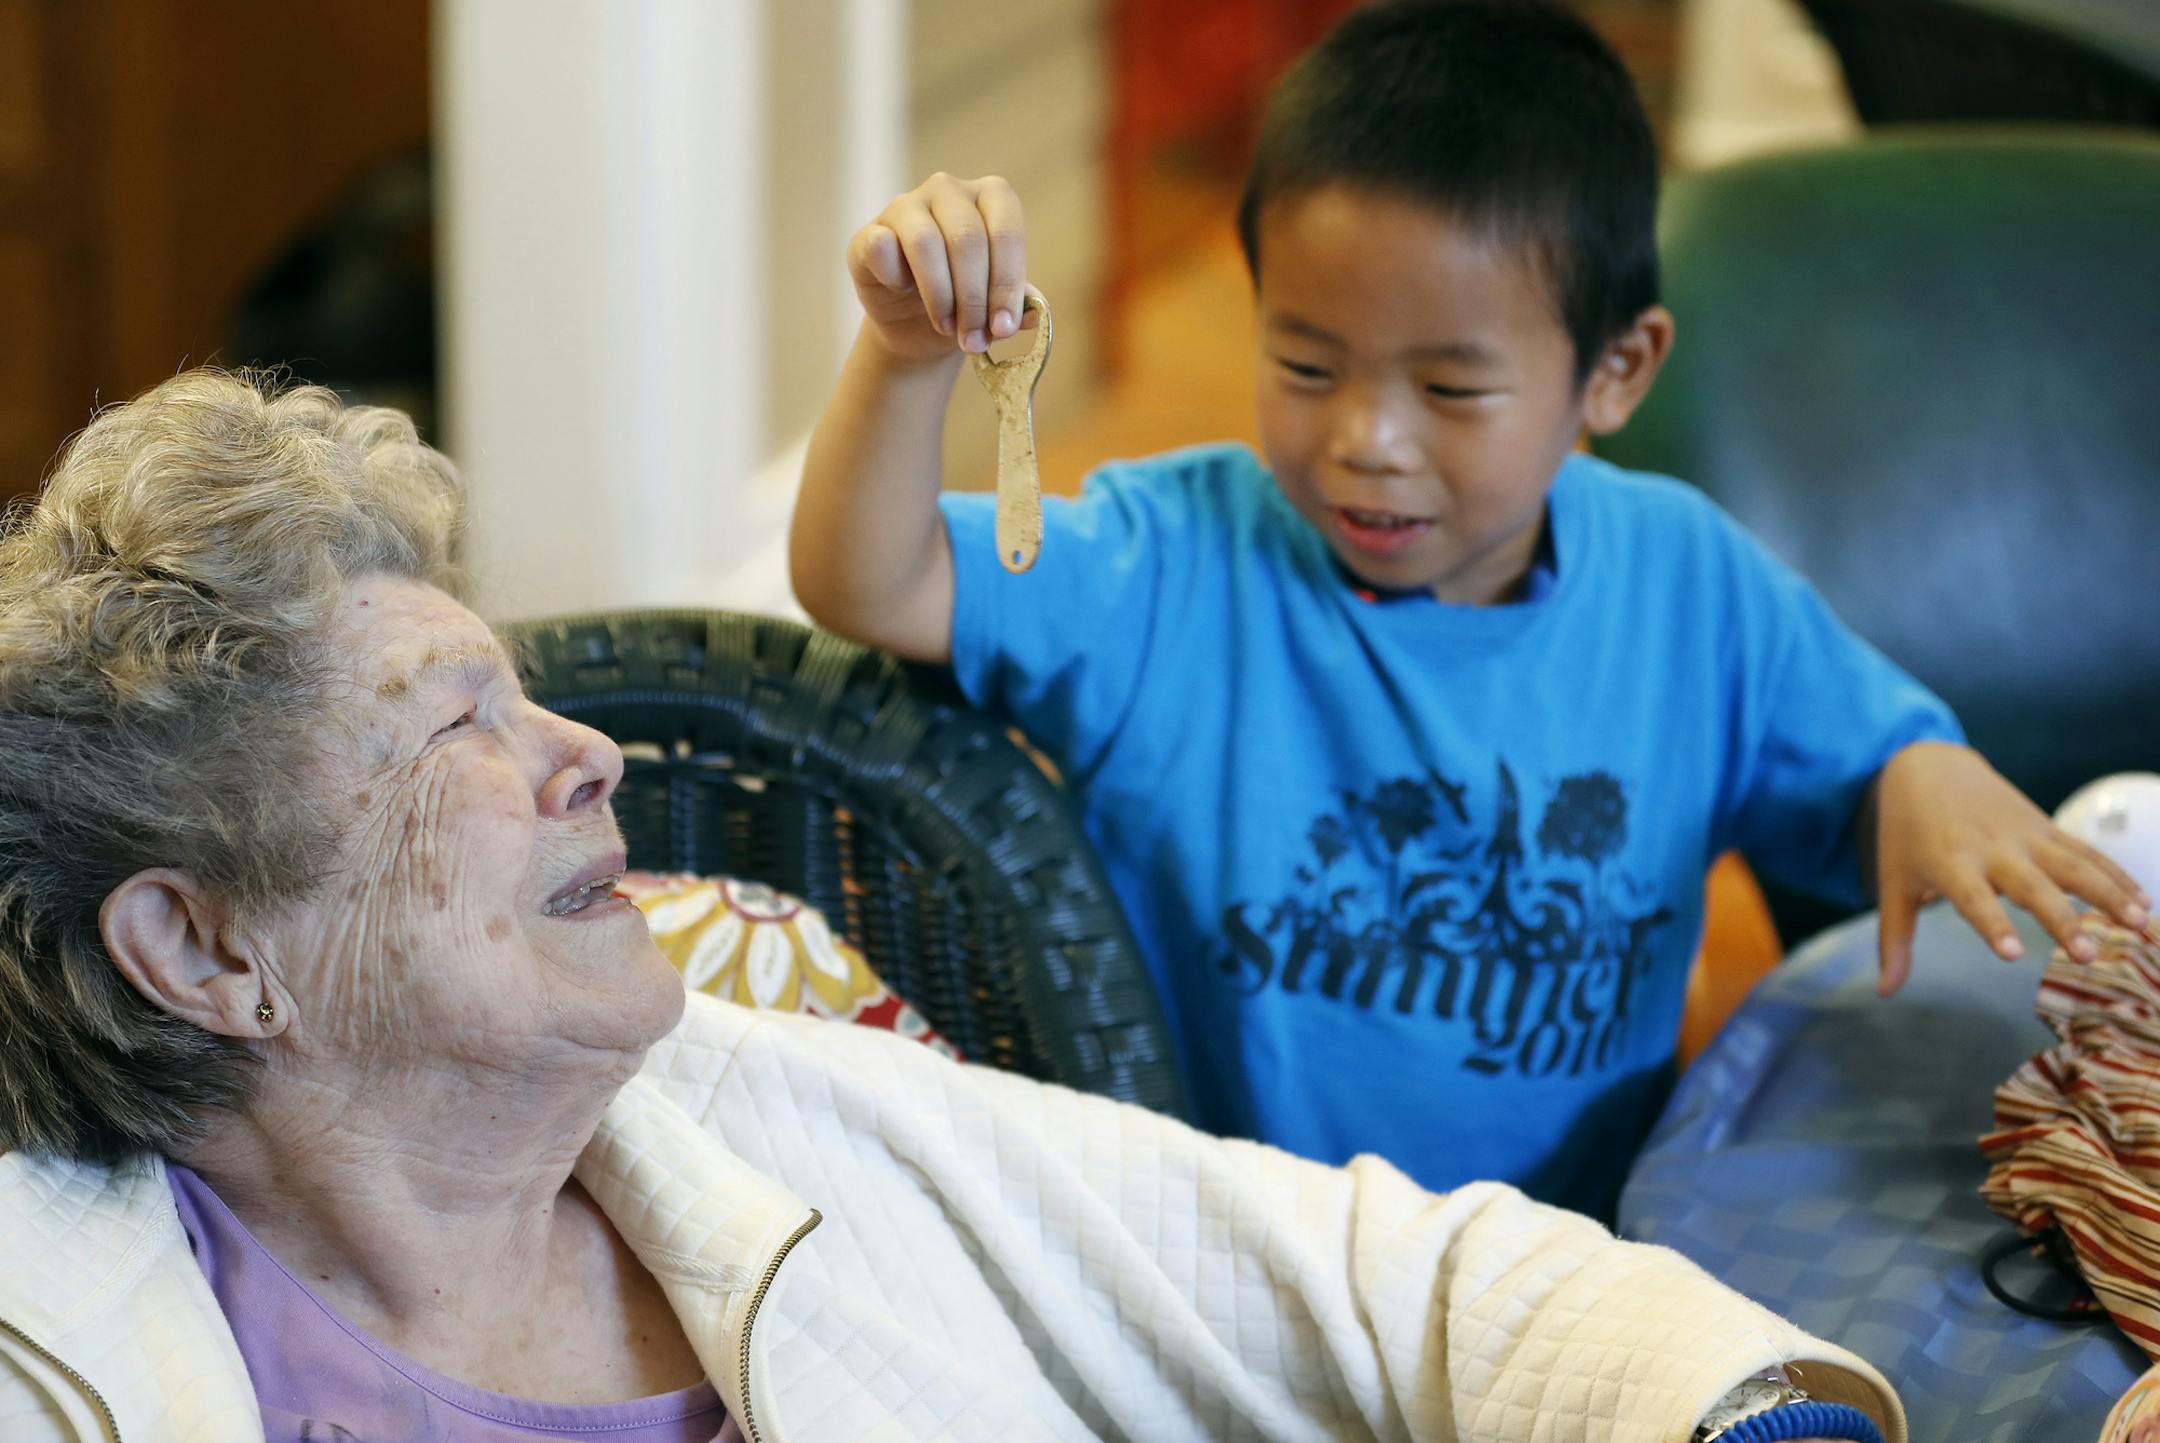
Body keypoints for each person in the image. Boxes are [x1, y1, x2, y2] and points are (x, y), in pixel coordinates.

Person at [0, 371, 1899, 1443]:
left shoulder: (766, 1104)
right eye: (454, 729)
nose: (588, 755)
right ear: (204, 949)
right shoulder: (61, 1344)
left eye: (529, 691)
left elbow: (1407, 1275)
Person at [788, 0, 2153, 1222]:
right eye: (1308, 364)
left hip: (1575, 1264)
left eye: (1451, 390)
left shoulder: (1688, 585)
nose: (1369, 440)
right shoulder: (1172, 558)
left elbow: (1870, 770)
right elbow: (872, 580)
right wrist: (908, 357)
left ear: (1614, 374)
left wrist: (1922, 774)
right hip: (1221, 1258)